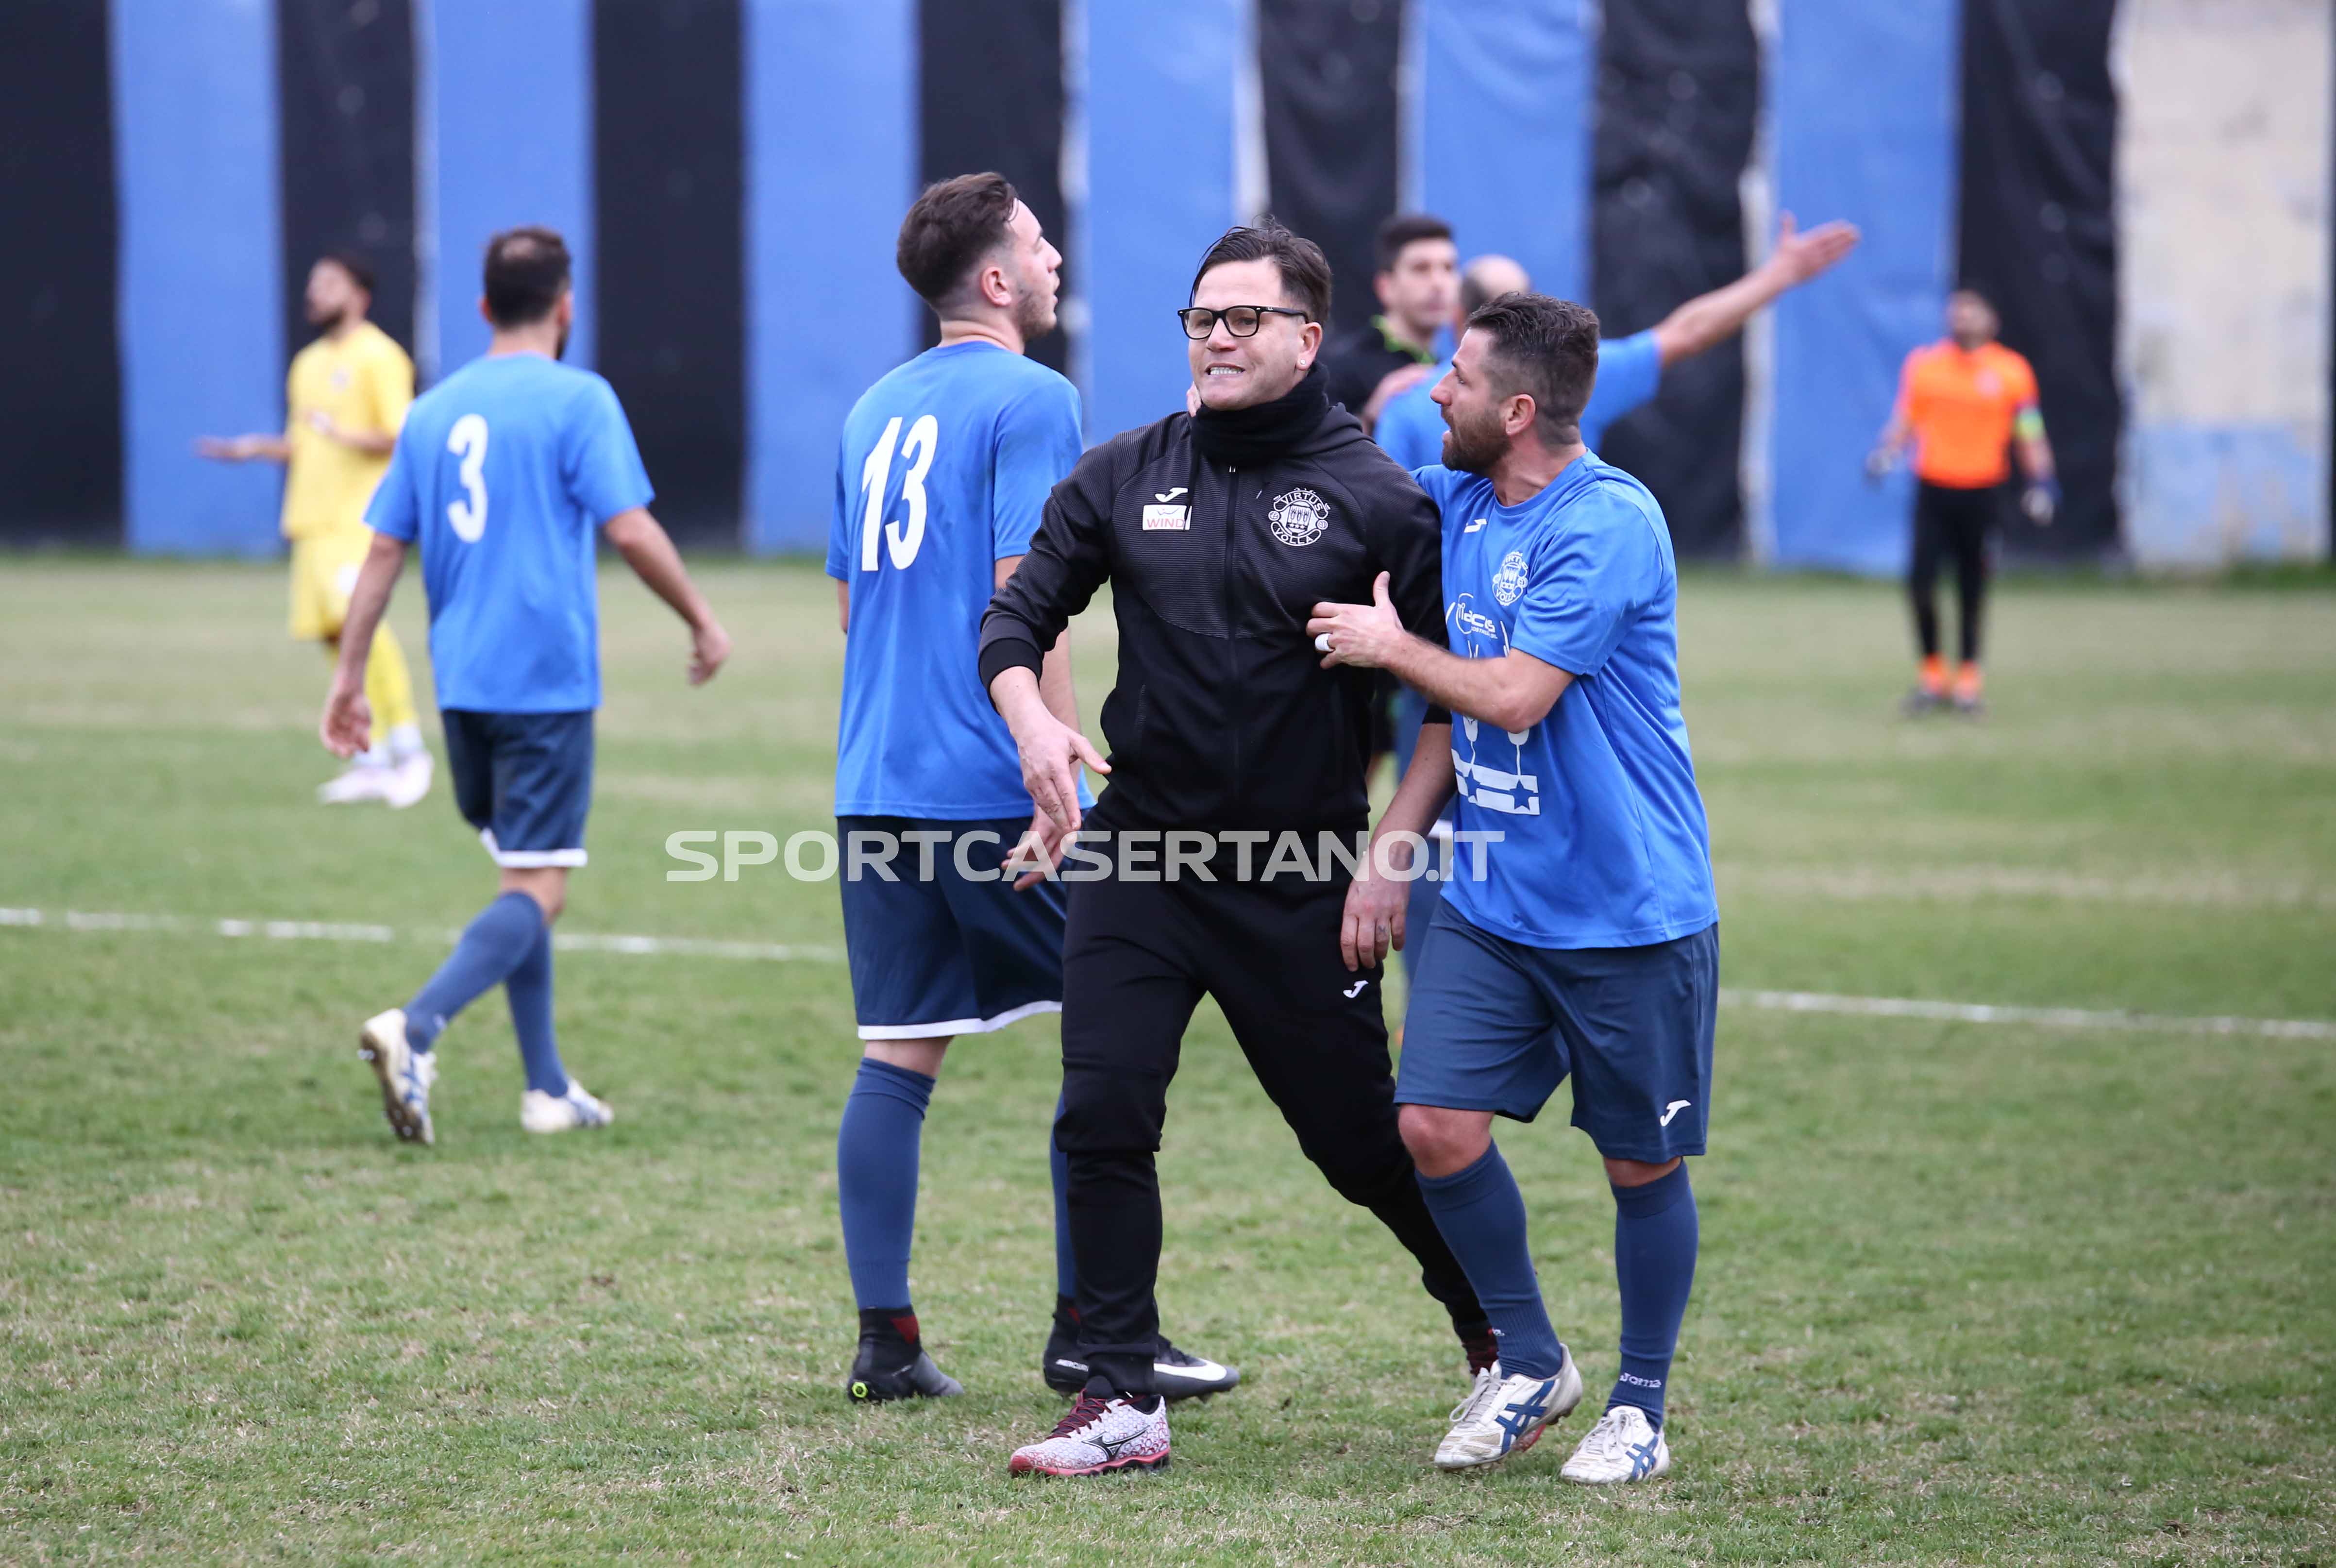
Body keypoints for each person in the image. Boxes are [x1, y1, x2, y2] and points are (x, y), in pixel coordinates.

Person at [983, 223, 1492, 1478]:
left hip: (1298, 874)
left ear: (1306, 336)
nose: (1214, 336)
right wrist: (1035, 719)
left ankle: (1504, 1339)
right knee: (1100, 1110)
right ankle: (1119, 1391)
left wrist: (1387, 853)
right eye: (1200, 318)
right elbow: (1015, 615)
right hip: (1139, 856)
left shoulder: (1383, 498)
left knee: (1360, 1144)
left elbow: (1451, 698)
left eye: (1242, 319)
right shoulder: (1121, 471)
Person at [823, 173, 1234, 1406]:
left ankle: (885, 1340)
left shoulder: (869, 409)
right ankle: (1095, 1331)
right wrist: (1047, 748)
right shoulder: (1034, 397)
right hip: (997, 778)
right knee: (1119, 1036)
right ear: (997, 279)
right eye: (1042, 244)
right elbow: (1029, 593)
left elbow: (852, 609)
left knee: (896, 1056)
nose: (1058, 260)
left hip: (875, 780)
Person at [1307, 292, 1719, 1485]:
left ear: (1519, 408)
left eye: (1457, 379)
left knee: (1639, 1164)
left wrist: (1390, 649)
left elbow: (1514, 694)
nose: (1436, 391)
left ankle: (1639, 1406)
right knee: (1432, 1124)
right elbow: (1344, 494)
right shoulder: (1457, 503)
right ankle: (1531, 1359)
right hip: (1489, 893)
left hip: (1626, 904)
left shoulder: (1608, 523)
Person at [320, 226, 732, 1145]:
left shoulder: (433, 410)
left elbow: (383, 551)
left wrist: (350, 678)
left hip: (461, 685)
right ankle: (416, 1025)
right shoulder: (578, 399)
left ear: (480, 307)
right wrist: (701, 618)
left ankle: (546, 1086)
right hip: (543, 683)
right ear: (565, 305)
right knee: (540, 886)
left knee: (525, 873)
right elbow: (630, 531)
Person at [1377, 215, 1856, 977]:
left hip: (1496, 665)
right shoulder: (1422, 415)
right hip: (1442, 672)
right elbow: (1372, 513)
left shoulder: (1577, 466)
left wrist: (1778, 277)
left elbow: (1686, 331)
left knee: (1481, 829)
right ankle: (1439, 1003)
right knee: (1444, 835)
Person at [200, 253, 433, 807]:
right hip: (311, 520)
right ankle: (370, 757)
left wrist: (346, 435)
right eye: (311, 283)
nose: (314, 293)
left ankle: (411, 751)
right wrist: (256, 449)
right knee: (335, 638)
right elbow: (305, 445)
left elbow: (403, 436)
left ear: (360, 293)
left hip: (359, 521)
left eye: (327, 283)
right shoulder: (306, 364)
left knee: (366, 631)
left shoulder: (381, 356)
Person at [1375, 214, 1864, 470]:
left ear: (1458, 314)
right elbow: (1686, 332)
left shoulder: (1411, 402)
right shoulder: (1575, 371)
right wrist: (1778, 274)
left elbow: (1381, 507)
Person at [1868, 286, 2057, 715]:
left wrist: (2042, 480)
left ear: (1991, 321)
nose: (1963, 320)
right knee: (1920, 582)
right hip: (1933, 488)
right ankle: (1932, 677)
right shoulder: (1926, 366)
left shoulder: (2011, 371)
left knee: (1972, 586)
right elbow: (1906, 418)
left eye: (1972, 313)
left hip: (1983, 490)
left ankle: (1968, 680)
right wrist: (1884, 453)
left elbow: (2028, 431)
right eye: (1957, 313)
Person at [1320, 213, 1458, 434]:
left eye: (1448, 268)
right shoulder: (1337, 369)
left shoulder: (1452, 367)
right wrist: (1372, 415)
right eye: (1421, 269)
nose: (1439, 283)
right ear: (1386, 287)